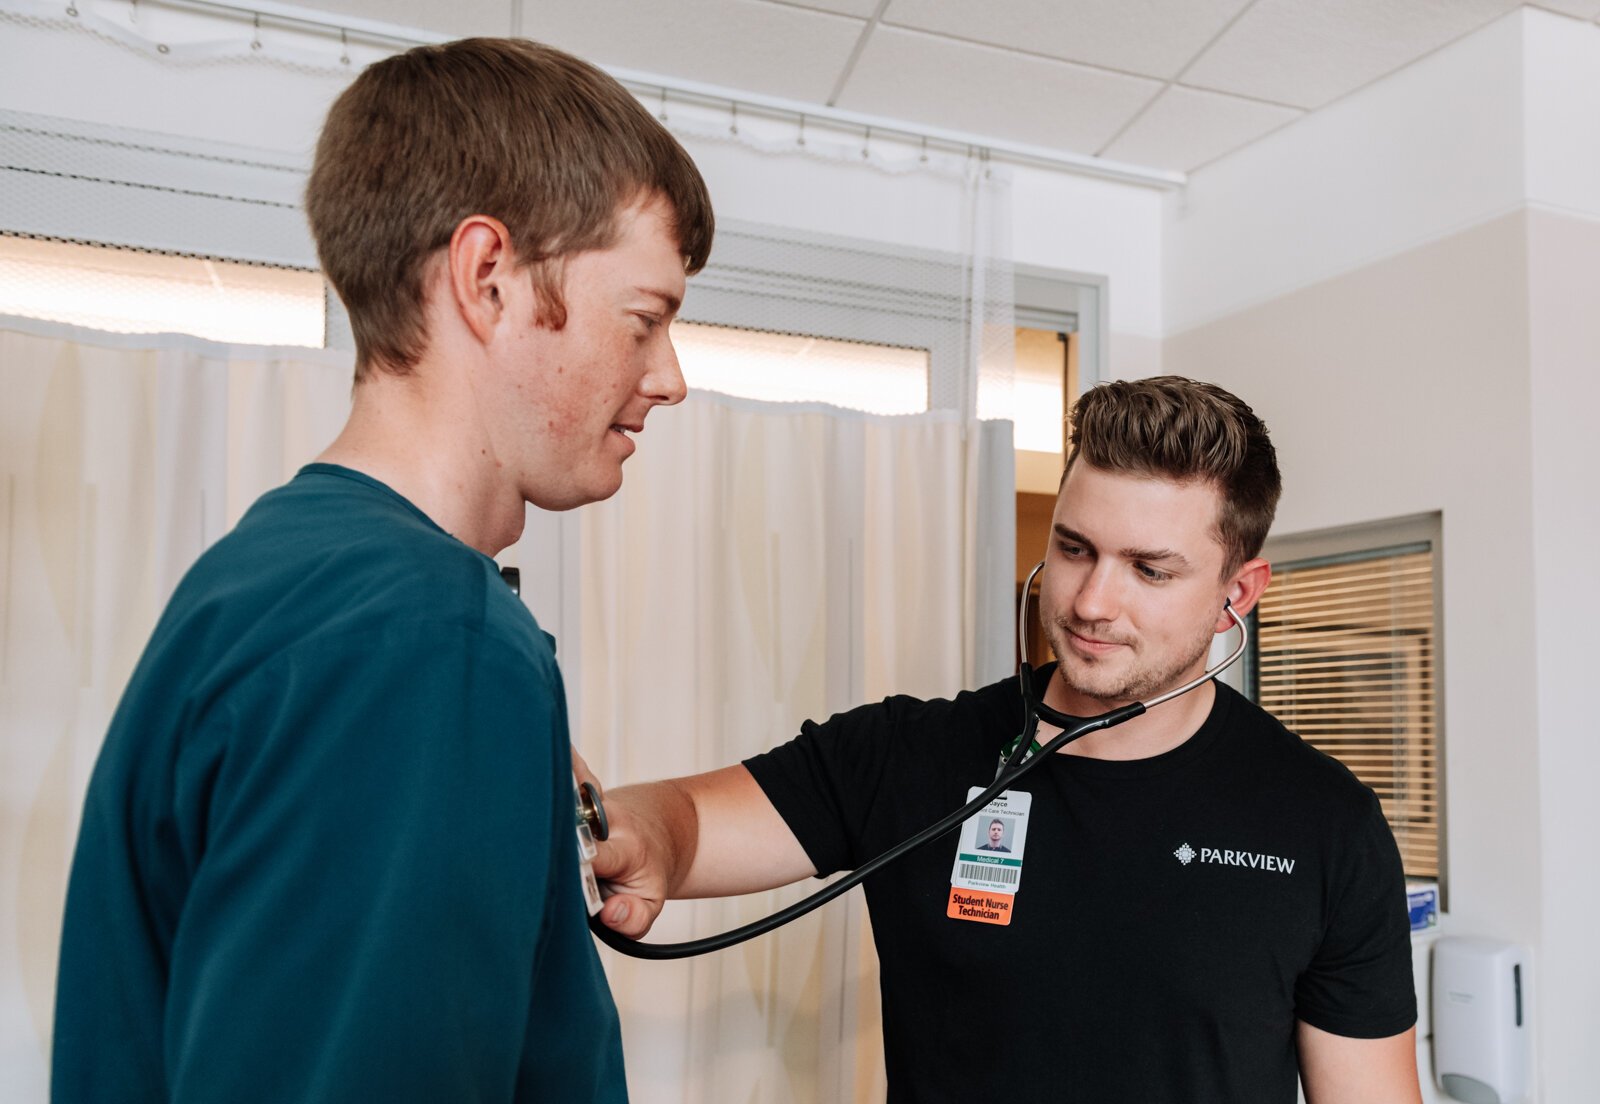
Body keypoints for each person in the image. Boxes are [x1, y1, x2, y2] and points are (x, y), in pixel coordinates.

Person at [52, 37, 712, 1103]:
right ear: (487, 278)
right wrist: (454, 696)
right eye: (643, 321)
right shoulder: (416, 642)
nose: (669, 377)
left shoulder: (278, 578)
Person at [593, 377, 1421, 1103]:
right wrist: (628, 832)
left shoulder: (1324, 824)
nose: (1093, 601)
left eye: (1150, 570)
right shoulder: (909, 752)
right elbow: (686, 825)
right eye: (1074, 549)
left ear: (1238, 592)